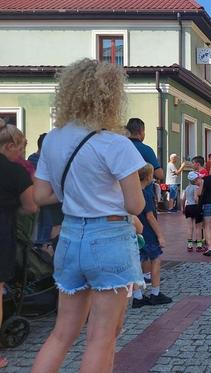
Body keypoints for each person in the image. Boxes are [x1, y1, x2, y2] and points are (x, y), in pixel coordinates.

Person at [32, 59, 146, 372]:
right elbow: (135, 205)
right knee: (101, 337)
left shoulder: (53, 140)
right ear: (110, 97)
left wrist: (79, 190)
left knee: (61, 334)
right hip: (108, 238)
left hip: (69, 238)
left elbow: (41, 196)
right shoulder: (115, 143)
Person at [0, 120, 37, 369]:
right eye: (20, 149)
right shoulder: (14, 172)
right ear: (9, 145)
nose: (21, 154)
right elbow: (31, 205)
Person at [132, 164, 171, 307]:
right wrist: (160, 235)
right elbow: (150, 216)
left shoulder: (131, 193)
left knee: (136, 263)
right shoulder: (145, 193)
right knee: (155, 260)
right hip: (147, 232)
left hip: (134, 231)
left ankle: (137, 297)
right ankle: (155, 293)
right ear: (149, 176)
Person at [182, 171, 203, 252]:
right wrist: (198, 204)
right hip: (195, 207)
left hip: (188, 207)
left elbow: (183, 199)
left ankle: (189, 245)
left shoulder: (187, 188)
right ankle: (199, 245)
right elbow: (195, 198)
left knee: (189, 227)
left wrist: (183, 208)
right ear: (195, 180)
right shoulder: (196, 187)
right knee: (198, 227)